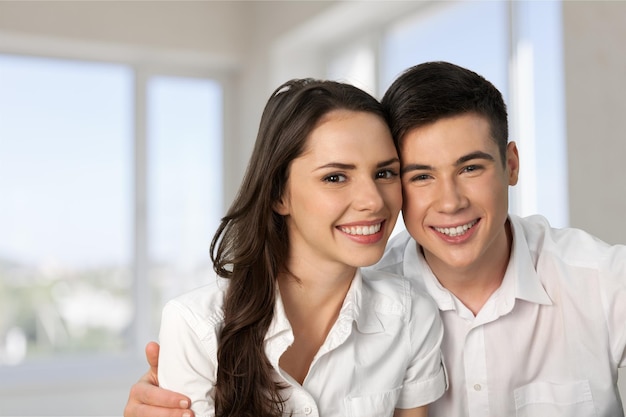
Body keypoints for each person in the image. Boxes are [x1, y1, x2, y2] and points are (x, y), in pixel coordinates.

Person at [125, 62, 626, 417]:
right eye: (419, 175)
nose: (450, 202)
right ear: (279, 193)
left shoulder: (606, 284)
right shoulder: (366, 283)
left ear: (511, 165)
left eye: (471, 167)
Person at [127, 77, 447, 417]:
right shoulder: (196, 326)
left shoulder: (412, 316)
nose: (372, 201)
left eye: (385, 173)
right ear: (280, 194)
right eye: (335, 177)